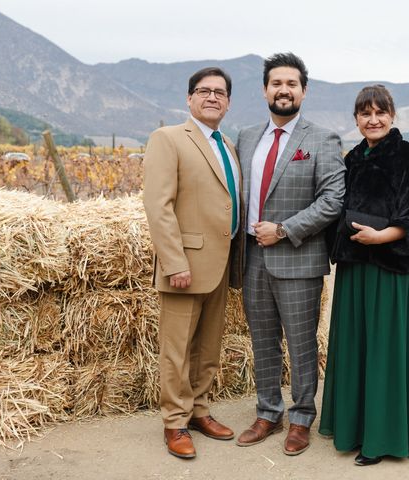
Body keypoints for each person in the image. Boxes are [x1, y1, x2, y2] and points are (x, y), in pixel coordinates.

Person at [319, 84, 409, 465]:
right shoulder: (351, 158)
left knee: (386, 351)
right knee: (357, 348)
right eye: (365, 113)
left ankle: (384, 437)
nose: (373, 120)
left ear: (392, 115)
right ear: (356, 119)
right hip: (356, 272)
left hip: (393, 271)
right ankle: (354, 429)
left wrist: (381, 236)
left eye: (380, 112)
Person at [235, 52, 345, 456]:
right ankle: (268, 412)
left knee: (301, 344)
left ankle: (300, 418)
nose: (284, 90)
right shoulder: (247, 137)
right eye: (277, 83)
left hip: (298, 259)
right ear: (265, 89)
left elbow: (333, 199)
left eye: (292, 84)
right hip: (251, 259)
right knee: (262, 341)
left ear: (304, 91)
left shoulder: (322, 139)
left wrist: (284, 230)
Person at [143, 67, 243, 459]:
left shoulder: (227, 145)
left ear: (229, 102)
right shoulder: (168, 139)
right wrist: (173, 261)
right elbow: (159, 205)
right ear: (189, 99)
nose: (212, 97)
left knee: (208, 347)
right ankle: (175, 421)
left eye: (220, 92)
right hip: (184, 265)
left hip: (221, 264)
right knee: (177, 349)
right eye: (204, 91)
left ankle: (199, 410)